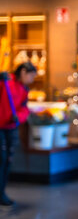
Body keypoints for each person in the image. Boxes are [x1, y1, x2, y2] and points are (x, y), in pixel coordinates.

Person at [0, 62, 37, 207]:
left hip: (11, 127)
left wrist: (19, 117)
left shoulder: (24, 89)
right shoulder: (6, 81)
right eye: (31, 76)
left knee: (7, 161)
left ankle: (1, 193)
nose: (32, 79)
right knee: (1, 159)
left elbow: (24, 108)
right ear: (23, 72)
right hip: (0, 127)